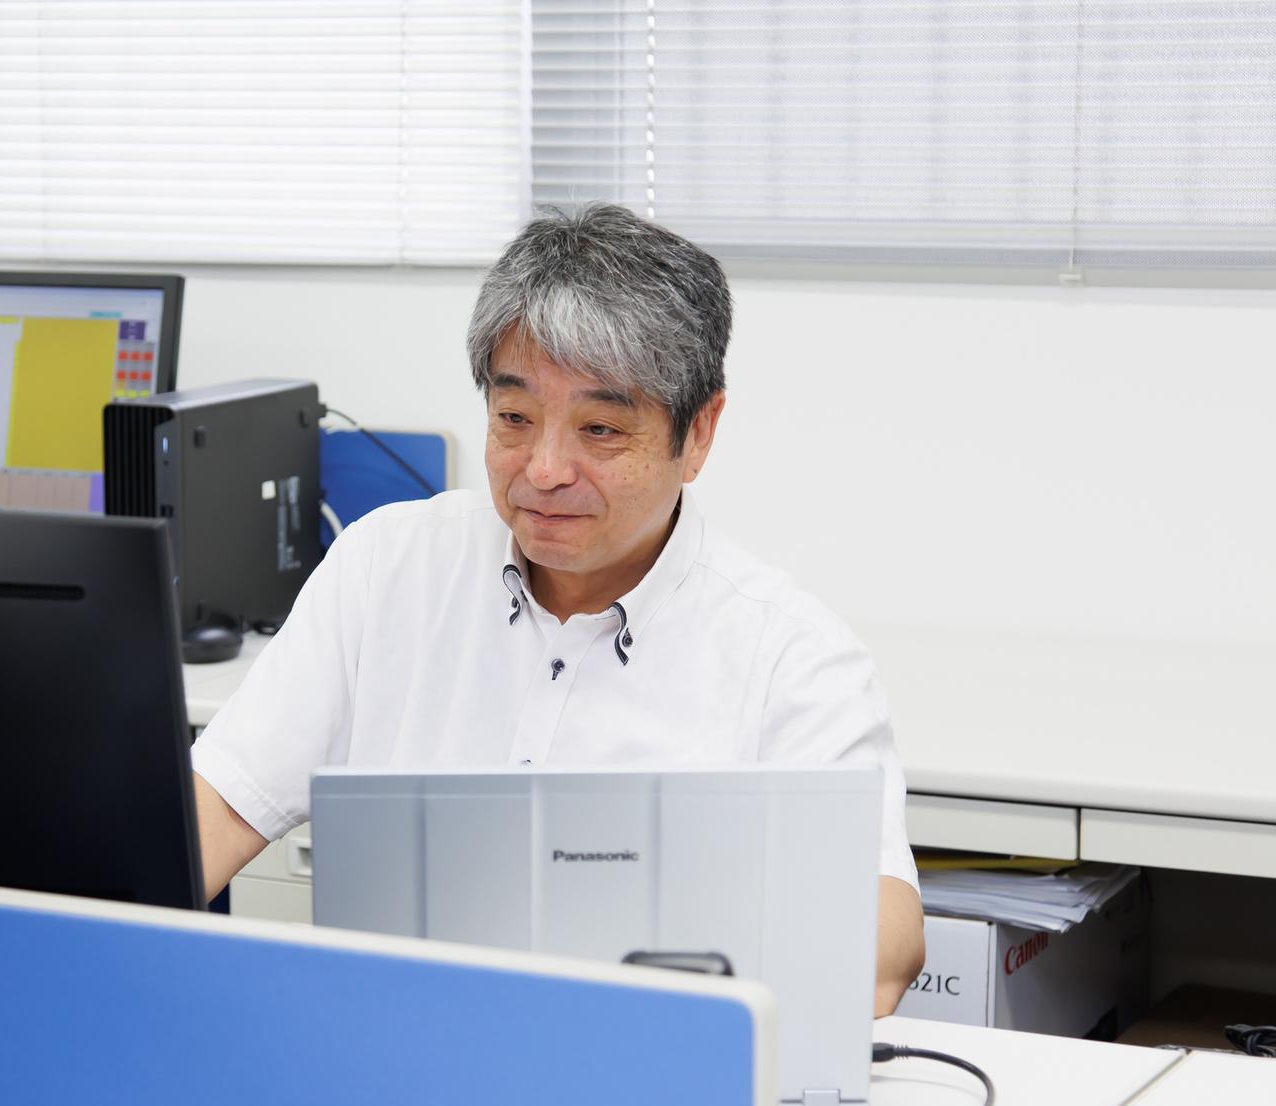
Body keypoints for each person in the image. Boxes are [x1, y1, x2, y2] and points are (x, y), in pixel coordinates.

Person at [192, 202, 925, 1016]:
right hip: (389, 1048)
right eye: (514, 419)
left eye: (600, 429)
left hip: (646, 1059)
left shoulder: (790, 657)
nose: (543, 470)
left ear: (699, 432)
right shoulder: (385, 569)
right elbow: (211, 811)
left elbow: (884, 950)